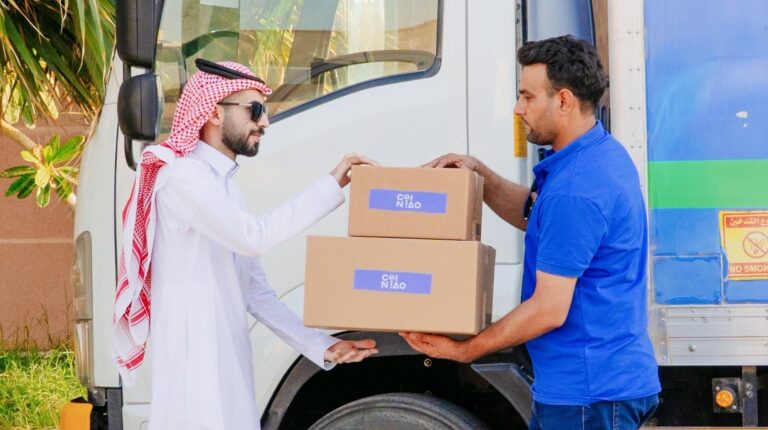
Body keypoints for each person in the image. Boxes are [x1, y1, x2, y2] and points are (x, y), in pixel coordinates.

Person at [400, 35, 660, 430]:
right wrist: (480, 177)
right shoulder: (598, 155)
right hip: (595, 385)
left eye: (527, 97)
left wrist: (467, 350)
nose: (518, 109)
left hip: (587, 396)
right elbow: (535, 214)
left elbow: (548, 310)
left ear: (564, 100)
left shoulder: (576, 188)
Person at [112, 59, 378, 429]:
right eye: (254, 110)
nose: (264, 123)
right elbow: (254, 238)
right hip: (194, 375)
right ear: (213, 113)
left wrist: (321, 346)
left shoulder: (225, 188)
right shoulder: (181, 178)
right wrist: (331, 184)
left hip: (228, 367)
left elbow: (257, 293)